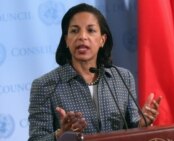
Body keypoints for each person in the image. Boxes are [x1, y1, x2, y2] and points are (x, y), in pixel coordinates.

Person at [28, 3, 161, 141]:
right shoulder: (44, 85)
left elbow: (132, 126)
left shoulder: (123, 77)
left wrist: (143, 123)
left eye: (90, 30)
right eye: (74, 31)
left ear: (102, 40)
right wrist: (60, 135)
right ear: (66, 40)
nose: (82, 37)